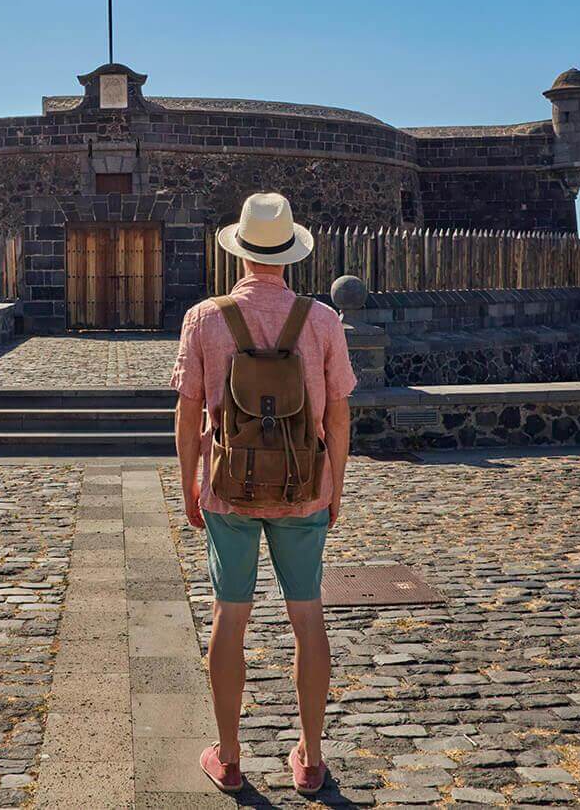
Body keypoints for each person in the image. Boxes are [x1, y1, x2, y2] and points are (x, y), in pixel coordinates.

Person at [171, 192, 355, 797]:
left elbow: (190, 410)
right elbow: (337, 413)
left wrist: (189, 486)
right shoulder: (323, 319)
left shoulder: (205, 318)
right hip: (305, 487)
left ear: (240, 251)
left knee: (231, 615)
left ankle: (227, 757)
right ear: (290, 253)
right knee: (307, 616)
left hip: (230, 488)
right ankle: (311, 757)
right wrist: (336, 486)